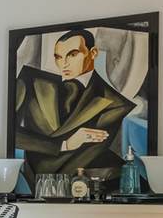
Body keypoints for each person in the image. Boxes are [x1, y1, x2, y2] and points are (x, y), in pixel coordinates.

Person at [13, 27, 136, 181]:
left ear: (93, 53)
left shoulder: (116, 103)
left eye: (72, 55)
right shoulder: (30, 80)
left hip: (79, 183)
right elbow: (13, 134)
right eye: (58, 57)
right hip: (34, 180)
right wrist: (65, 144)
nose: (64, 64)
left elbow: (89, 156)